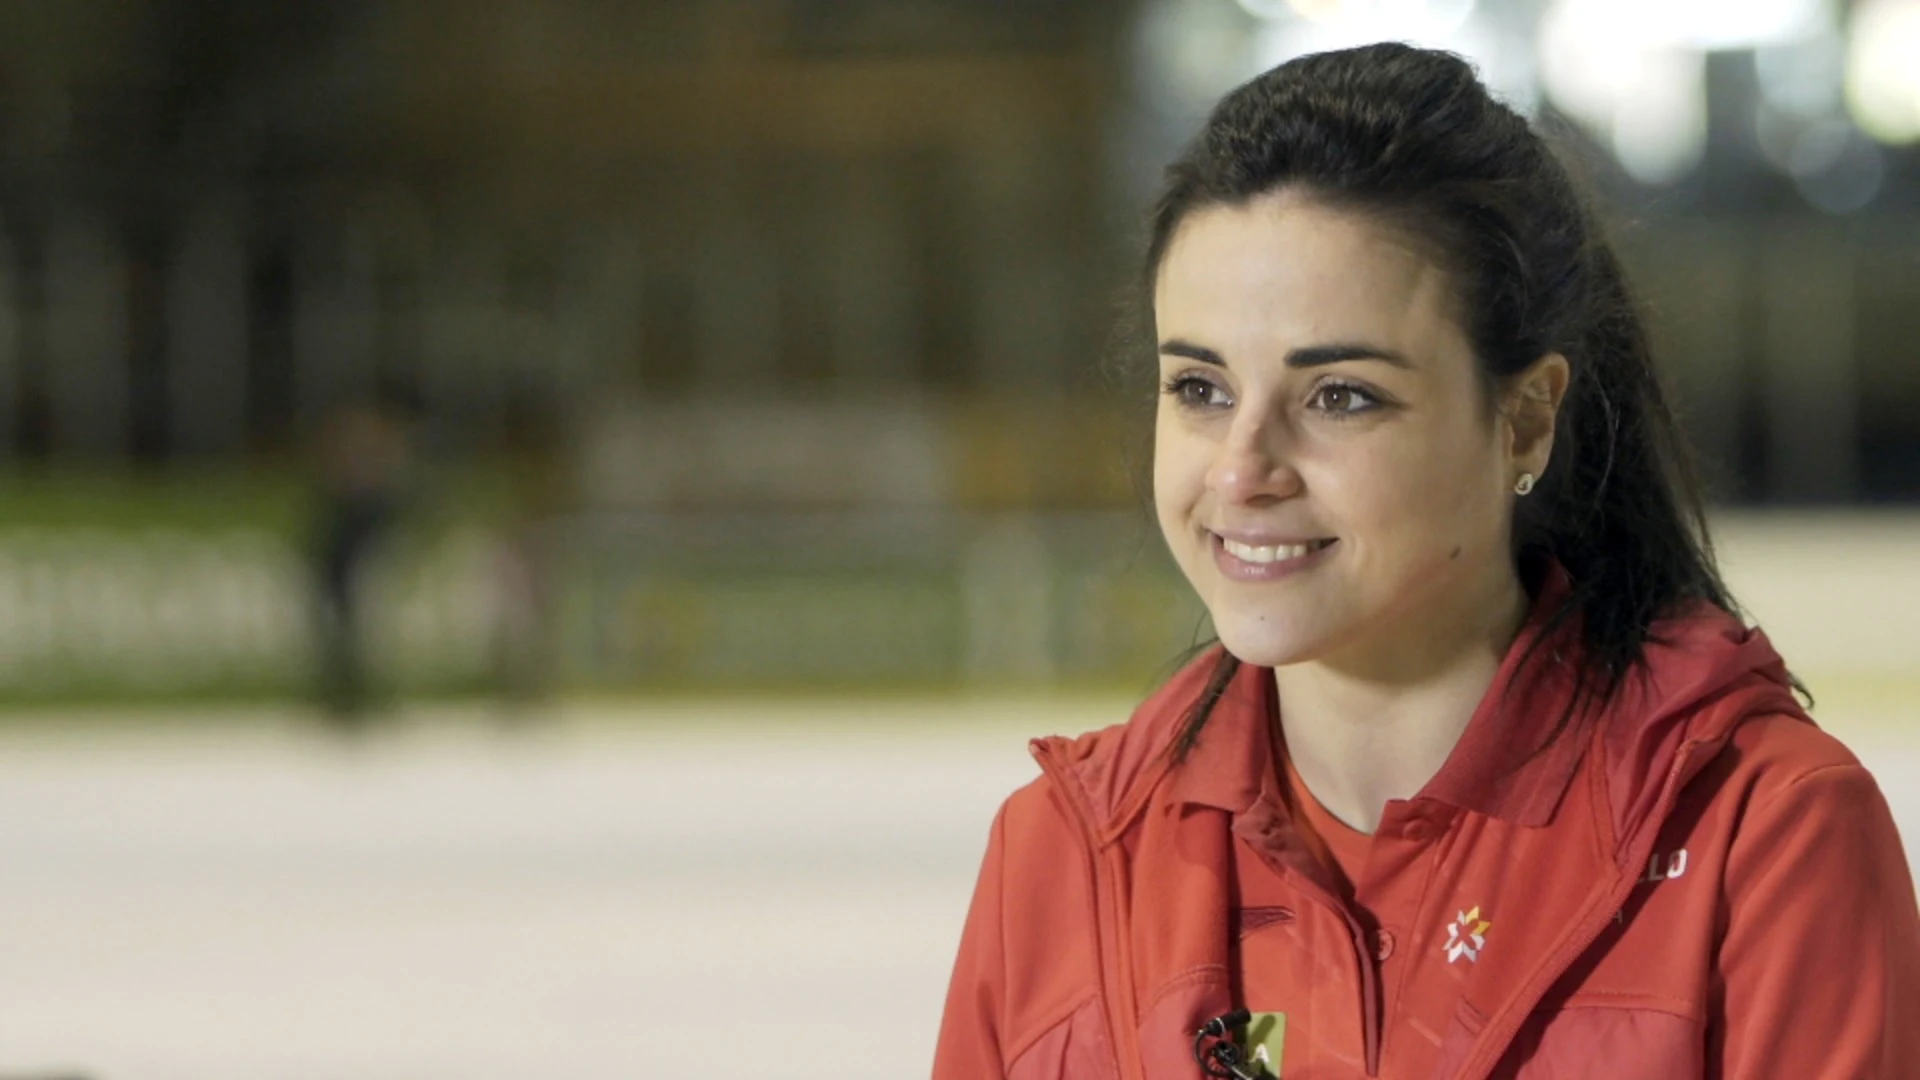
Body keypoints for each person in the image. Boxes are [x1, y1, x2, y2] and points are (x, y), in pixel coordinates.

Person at [933, 43, 1920, 1080]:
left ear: (1527, 419)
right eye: (1201, 390)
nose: (1241, 471)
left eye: (1340, 396)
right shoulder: (1063, 858)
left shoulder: (1763, 839)